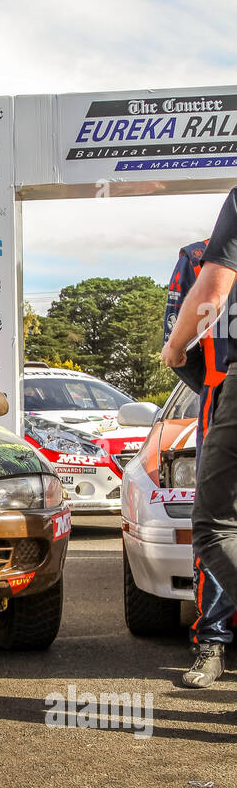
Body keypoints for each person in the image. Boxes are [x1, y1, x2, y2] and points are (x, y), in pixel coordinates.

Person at [162, 186, 237, 643]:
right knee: (219, 524)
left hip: (230, 394)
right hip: (219, 396)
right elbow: (185, 345)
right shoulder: (193, 257)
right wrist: (214, 388)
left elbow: (176, 346)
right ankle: (212, 638)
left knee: (213, 526)